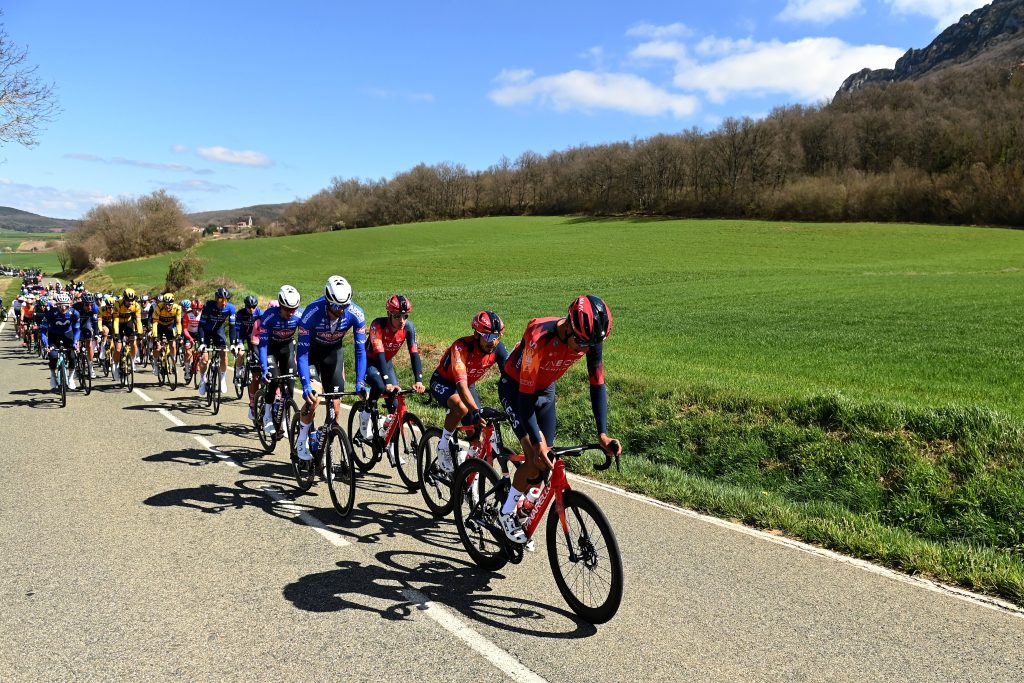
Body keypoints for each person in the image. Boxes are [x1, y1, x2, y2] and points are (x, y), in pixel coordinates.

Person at [495, 295, 621, 543]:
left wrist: (603, 434)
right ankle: (506, 511)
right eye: (582, 344)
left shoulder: (591, 337)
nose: (586, 350)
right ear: (569, 328)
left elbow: (597, 383)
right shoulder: (538, 336)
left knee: (547, 460)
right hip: (517, 387)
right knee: (534, 456)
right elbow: (525, 396)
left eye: (590, 345)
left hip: (546, 389)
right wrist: (535, 439)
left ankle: (526, 499)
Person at [295, 275, 366, 465]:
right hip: (311, 355)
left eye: (345, 306)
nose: (341, 311)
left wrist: (360, 382)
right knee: (315, 397)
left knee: (335, 408)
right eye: (336, 306)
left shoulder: (356, 314)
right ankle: (301, 439)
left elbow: (360, 351)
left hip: (333, 355)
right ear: (327, 301)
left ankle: (323, 440)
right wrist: (305, 384)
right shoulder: (311, 313)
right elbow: (301, 354)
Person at [429, 310, 508, 473]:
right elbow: (461, 386)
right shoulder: (461, 347)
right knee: (462, 407)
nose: (493, 342)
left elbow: (510, 379)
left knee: (477, 439)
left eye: (497, 337)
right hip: (444, 381)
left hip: (468, 385)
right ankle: (443, 445)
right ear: (476, 334)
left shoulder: (497, 350)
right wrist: (476, 411)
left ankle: (466, 475)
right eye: (488, 337)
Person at [358, 294, 426, 442]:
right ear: (389, 314)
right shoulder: (378, 325)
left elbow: (414, 354)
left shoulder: (408, 327)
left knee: (395, 407)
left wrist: (419, 380)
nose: (402, 320)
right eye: (397, 316)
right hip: (369, 361)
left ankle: (390, 445)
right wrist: (388, 382)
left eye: (405, 316)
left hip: (386, 363)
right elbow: (380, 354)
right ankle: (365, 415)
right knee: (381, 385)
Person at [257, 285, 302, 434]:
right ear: (280, 306)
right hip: (270, 350)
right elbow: (262, 345)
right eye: (288, 309)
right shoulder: (269, 316)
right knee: (274, 379)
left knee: (290, 385)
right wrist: (264, 369)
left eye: (294, 309)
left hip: (287, 349)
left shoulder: (299, 316)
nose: (291, 313)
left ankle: (283, 415)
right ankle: (268, 414)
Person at [196, 287, 236, 396]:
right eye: (220, 300)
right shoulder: (209, 306)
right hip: (206, 331)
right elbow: (201, 325)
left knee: (224, 353)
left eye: (226, 300)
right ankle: (203, 379)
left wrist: (233, 344)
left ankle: (222, 378)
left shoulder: (231, 308)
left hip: (218, 331)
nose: (223, 303)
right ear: (216, 298)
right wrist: (203, 343)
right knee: (204, 359)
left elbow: (232, 327)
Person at [40, 291, 80, 390]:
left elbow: (77, 329)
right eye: (60, 306)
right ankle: (53, 375)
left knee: (72, 357)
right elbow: (43, 330)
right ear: (56, 305)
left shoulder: (74, 313)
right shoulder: (50, 313)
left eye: (66, 306)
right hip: (54, 336)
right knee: (53, 357)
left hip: (68, 335)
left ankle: (70, 378)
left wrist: (75, 342)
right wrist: (46, 345)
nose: (63, 309)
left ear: (69, 305)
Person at [233, 294, 263, 420]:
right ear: (245, 306)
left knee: (256, 357)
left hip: (255, 338)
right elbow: (237, 330)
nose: (251, 309)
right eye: (249, 307)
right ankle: (238, 372)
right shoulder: (240, 314)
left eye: (253, 307)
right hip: (243, 336)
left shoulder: (260, 313)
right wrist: (237, 344)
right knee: (241, 353)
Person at [111, 288, 143, 381]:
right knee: (118, 348)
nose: (131, 303)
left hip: (128, 323)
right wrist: (116, 334)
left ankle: (132, 361)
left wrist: (140, 332)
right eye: (129, 300)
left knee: (133, 343)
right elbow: (116, 321)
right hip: (118, 325)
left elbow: (138, 320)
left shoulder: (136, 305)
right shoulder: (118, 304)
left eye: (132, 300)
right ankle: (115, 366)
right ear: (124, 299)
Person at [151, 293, 183, 376]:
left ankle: (173, 365)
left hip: (169, 326)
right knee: (157, 347)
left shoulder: (177, 308)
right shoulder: (159, 307)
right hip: (159, 326)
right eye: (166, 304)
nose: (167, 306)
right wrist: (155, 336)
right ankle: (155, 364)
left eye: (169, 304)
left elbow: (179, 323)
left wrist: (179, 334)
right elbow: (154, 323)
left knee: (173, 345)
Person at [72, 293, 100, 378]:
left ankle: (91, 367)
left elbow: (95, 323)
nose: (89, 307)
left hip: (86, 322)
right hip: (75, 323)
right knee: (75, 344)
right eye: (87, 305)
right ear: (82, 303)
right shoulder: (75, 307)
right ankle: (75, 366)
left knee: (89, 344)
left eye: (91, 305)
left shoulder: (95, 308)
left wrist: (97, 335)